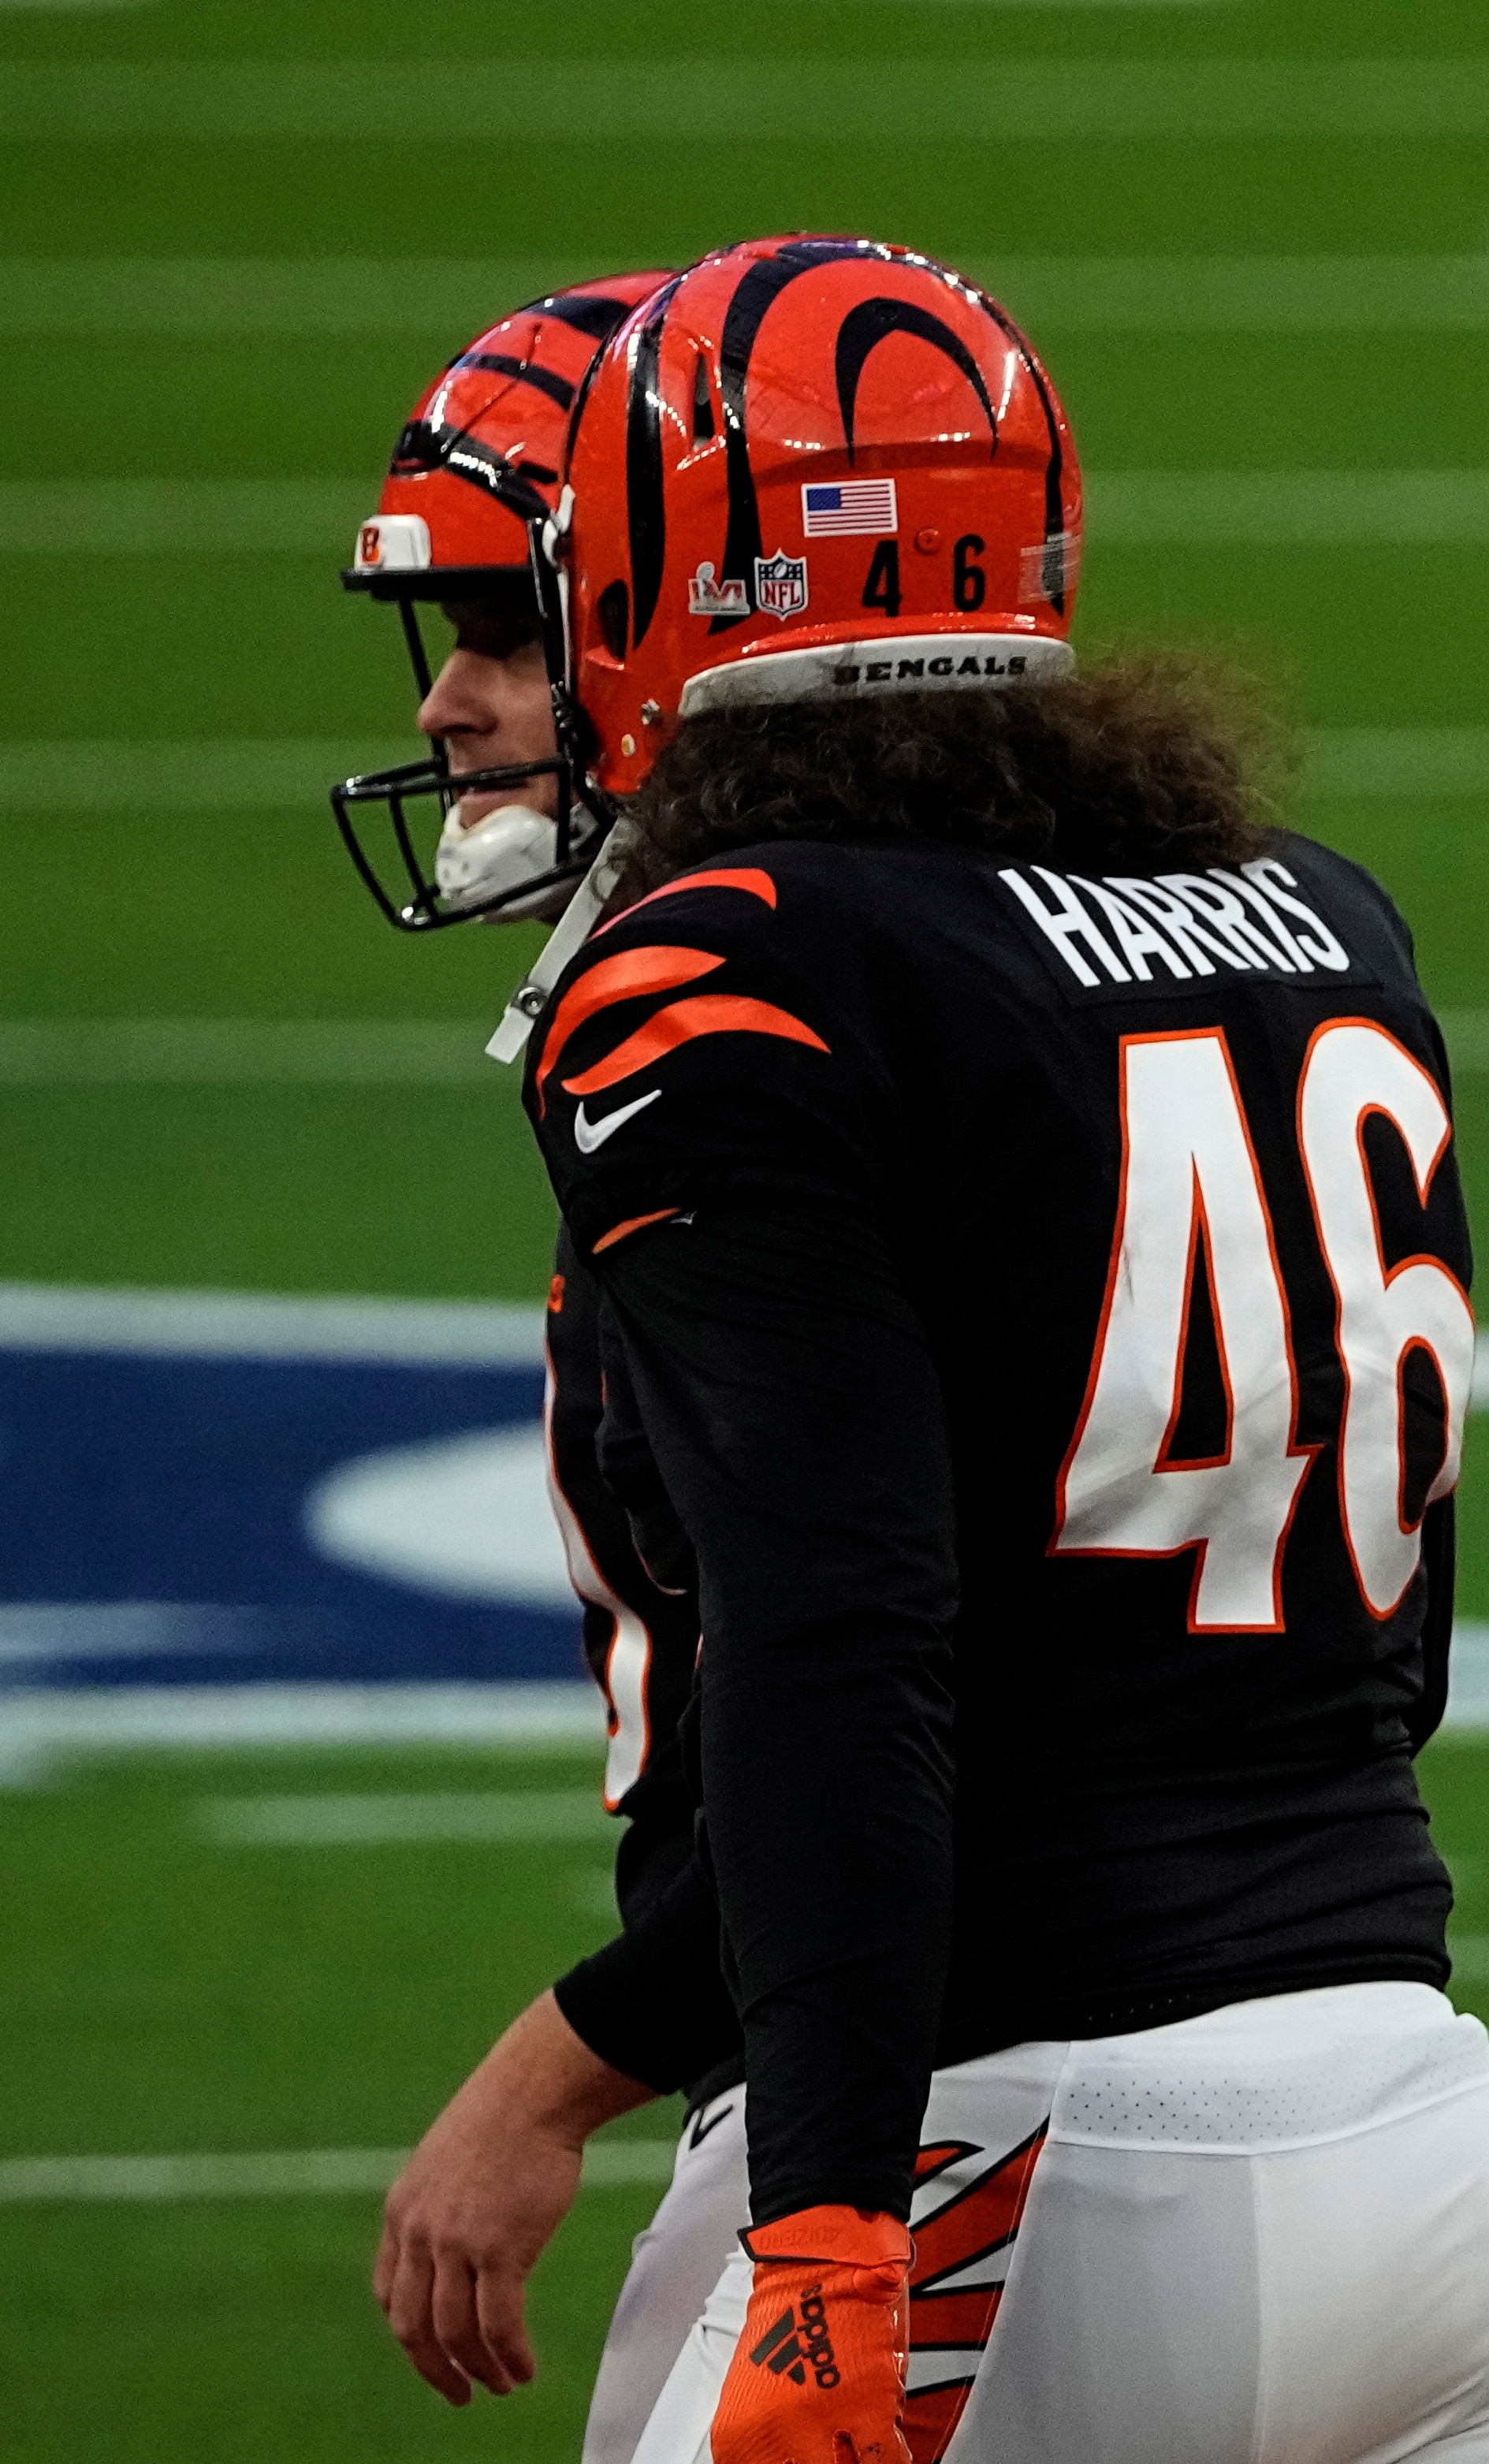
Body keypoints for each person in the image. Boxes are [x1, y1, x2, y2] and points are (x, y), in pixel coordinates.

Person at [404, 233, 1489, 2464]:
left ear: (688, 602)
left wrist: (823, 2221)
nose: (448, 703)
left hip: (1000, 2156)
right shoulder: (1308, 911)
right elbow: (1363, 1637)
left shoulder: (729, 973)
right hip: (1406, 2119)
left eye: (493, 629)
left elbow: (848, 1645)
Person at [332, 270, 766, 2464]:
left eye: (509, 632)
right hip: (1353, 2056)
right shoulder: (1108, 939)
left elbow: (889, 1686)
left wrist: (548, 2072)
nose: (451, 710)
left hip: (967, 2080)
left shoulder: (746, 1050)